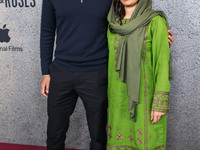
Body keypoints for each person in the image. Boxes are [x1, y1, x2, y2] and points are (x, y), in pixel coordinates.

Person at [40, 0, 174, 150]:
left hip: (96, 74)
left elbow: (130, 22)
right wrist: (46, 72)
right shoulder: (51, 0)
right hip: (61, 72)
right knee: (54, 133)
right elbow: (47, 30)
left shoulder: (112, 2)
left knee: (98, 136)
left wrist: (159, 36)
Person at [106, 0, 173, 149]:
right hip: (118, 98)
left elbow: (161, 65)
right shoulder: (112, 24)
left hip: (146, 100)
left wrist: (159, 103)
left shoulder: (155, 22)